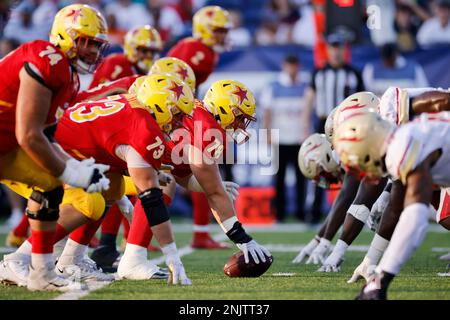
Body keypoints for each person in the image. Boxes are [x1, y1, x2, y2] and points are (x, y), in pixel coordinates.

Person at [0, 73, 195, 286]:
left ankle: (71, 260)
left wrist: (148, 173)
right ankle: (18, 259)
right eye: (176, 115)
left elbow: (106, 145)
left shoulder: (128, 103)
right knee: (89, 204)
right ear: (158, 106)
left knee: (113, 185)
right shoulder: (144, 129)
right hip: (30, 150)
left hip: (51, 147)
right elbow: (152, 200)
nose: (178, 123)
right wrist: (172, 256)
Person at [0, 4, 110, 292]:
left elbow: (46, 137)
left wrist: (75, 167)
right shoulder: (47, 59)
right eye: (88, 43)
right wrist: (72, 174)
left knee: (50, 184)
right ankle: (37, 269)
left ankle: (41, 271)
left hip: (6, 145)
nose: (93, 52)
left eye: (97, 45)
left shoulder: (67, 74)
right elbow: (29, 135)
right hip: (8, 142)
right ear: (67, 36)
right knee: (53, 181)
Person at [117, 79, 272, 279]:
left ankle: (121, 257)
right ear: (225, 110)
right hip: (122, 146)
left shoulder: (198, 113)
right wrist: (243, 239)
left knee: (164, 180)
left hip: (124, 145)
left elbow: (179, 171)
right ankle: (121, 258)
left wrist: (205, 183)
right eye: (240, 118)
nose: (242, 125)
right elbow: (214, 194)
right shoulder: (210, 132)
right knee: (157, 184)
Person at [334, 111, 450, 300]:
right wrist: (373, 265)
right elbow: (396, 211)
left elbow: (415, 220)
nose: (363, 173)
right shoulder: (399, 143)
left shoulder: (402, 147)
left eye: (358, 163)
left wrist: (381, 280)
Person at [167, 5, 234, 249]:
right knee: (175, 173)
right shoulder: (198, 51)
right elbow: (179, 84)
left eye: (224, 30)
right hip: (172, 111)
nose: (222, 35)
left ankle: (200, 233)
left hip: (175, 109)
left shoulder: (202, 50)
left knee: (198, 170)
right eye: (218, 30)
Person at [303, 31, 365, 223]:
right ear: (328, 50)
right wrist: (305, 126)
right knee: (320, 167)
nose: (336, 52)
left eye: (339, 48)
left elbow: (364, 100)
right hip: (323, 124)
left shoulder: (354, 73)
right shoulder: (319, 73)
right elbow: (309, 100)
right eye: (333, 48)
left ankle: (353, 211)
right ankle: (314, 212)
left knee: (351, 169)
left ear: (344, 50)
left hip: (348, 125)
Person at [261, 55, 308, 222]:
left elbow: (308, 112)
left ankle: (301, 213)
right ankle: (279, 214)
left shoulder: (304, 87)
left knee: (301, 178)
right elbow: (267, 112)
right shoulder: (273, 87)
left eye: (295, 65)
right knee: (279, 178)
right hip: (279, 139)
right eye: (289, 65)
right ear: (284, 66)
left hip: (298, 139)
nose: (292, 69)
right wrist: (267, 133)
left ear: (298, 66)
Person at [90, 25, 163, 88]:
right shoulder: (116, 63)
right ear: (131, 48)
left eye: (153, 52)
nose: (149, 56)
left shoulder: (153, 71)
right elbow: (103, 97)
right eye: (144, 51)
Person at [362, 43, 428, 96]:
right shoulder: (370, 68)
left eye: (390, 60)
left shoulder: (414, 68)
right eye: (385, 60)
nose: (387, 63)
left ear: (396, 55)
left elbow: (423, 90)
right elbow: (368, 93)